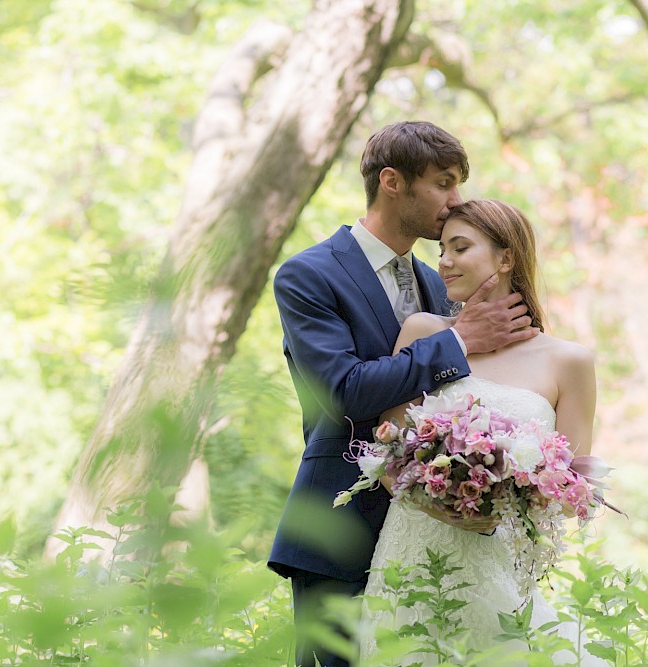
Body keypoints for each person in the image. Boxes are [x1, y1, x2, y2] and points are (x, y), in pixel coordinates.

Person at [267, 122, 539, 667]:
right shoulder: (306, 276)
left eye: (458, 183)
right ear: (392, 182)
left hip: (437, 535)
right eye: (443, 182)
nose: (455, 200)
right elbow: (344, 392)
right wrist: (458, 339)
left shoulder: (440, 282)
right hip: (336, 529)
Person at [360, 198, 608, 665]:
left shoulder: (569, 362)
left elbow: (571, 485)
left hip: (500, 562)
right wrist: (436, 501)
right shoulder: (423, 332)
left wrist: (505, 502)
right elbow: (386, 442)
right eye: (441, 251)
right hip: (412, 553)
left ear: (506, 257)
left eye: (460, 248)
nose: (444, 262)